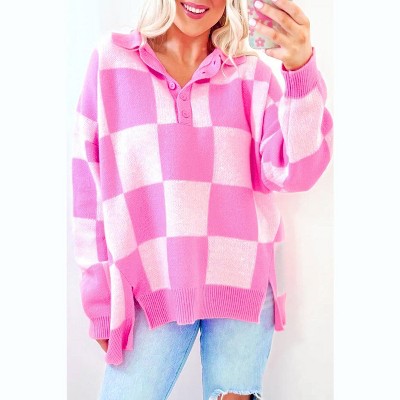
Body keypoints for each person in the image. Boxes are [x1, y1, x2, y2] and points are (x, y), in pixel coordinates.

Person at [70, 0, 333, 399]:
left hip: (241, 277)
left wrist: (300, 71)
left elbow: (296, 171)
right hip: (151, 284)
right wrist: (99, 298)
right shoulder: (112, 60)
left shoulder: (251, 75)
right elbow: (88, 184)